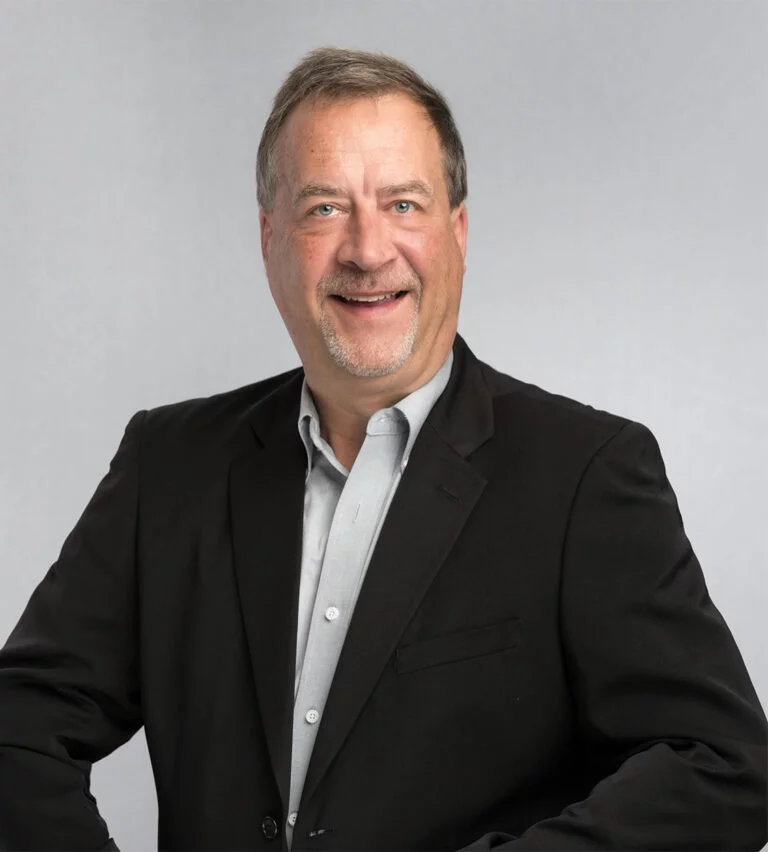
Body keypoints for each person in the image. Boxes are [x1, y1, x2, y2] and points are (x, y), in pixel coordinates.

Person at [0, 46, 765, 852]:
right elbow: (17, 725)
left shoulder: (585, 474)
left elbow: (722, 769)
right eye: (325, 207)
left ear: (456, 231)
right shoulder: (170, 466)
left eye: (403, 204)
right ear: (269, 238)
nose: (368, 251)